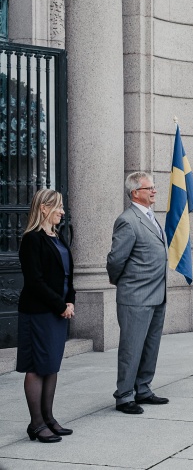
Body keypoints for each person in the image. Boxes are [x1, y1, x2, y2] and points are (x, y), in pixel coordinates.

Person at [107, 172, 169, 414]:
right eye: (149, 188)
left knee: (150, 346)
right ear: (135, 193)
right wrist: (121, 283)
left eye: (154, 187)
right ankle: (124, 396)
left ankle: (142, 389)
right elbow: (116, 259)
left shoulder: (151, 217)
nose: (154, 191)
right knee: (131, 348)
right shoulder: (127, 220)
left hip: (157, 295)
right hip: (135, 297)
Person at [16, 189, 75, 443]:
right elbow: (35, 281)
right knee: (37, 368)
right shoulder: (32, 239)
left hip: (59, 311)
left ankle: (49, 418)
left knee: (51, 366)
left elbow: (66, 275)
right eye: (58, 207)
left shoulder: (58, 237)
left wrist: (70, 300)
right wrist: (60, 305)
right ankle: (36, 424)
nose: (62, 212)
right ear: (43, 209)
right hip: (39, 312)